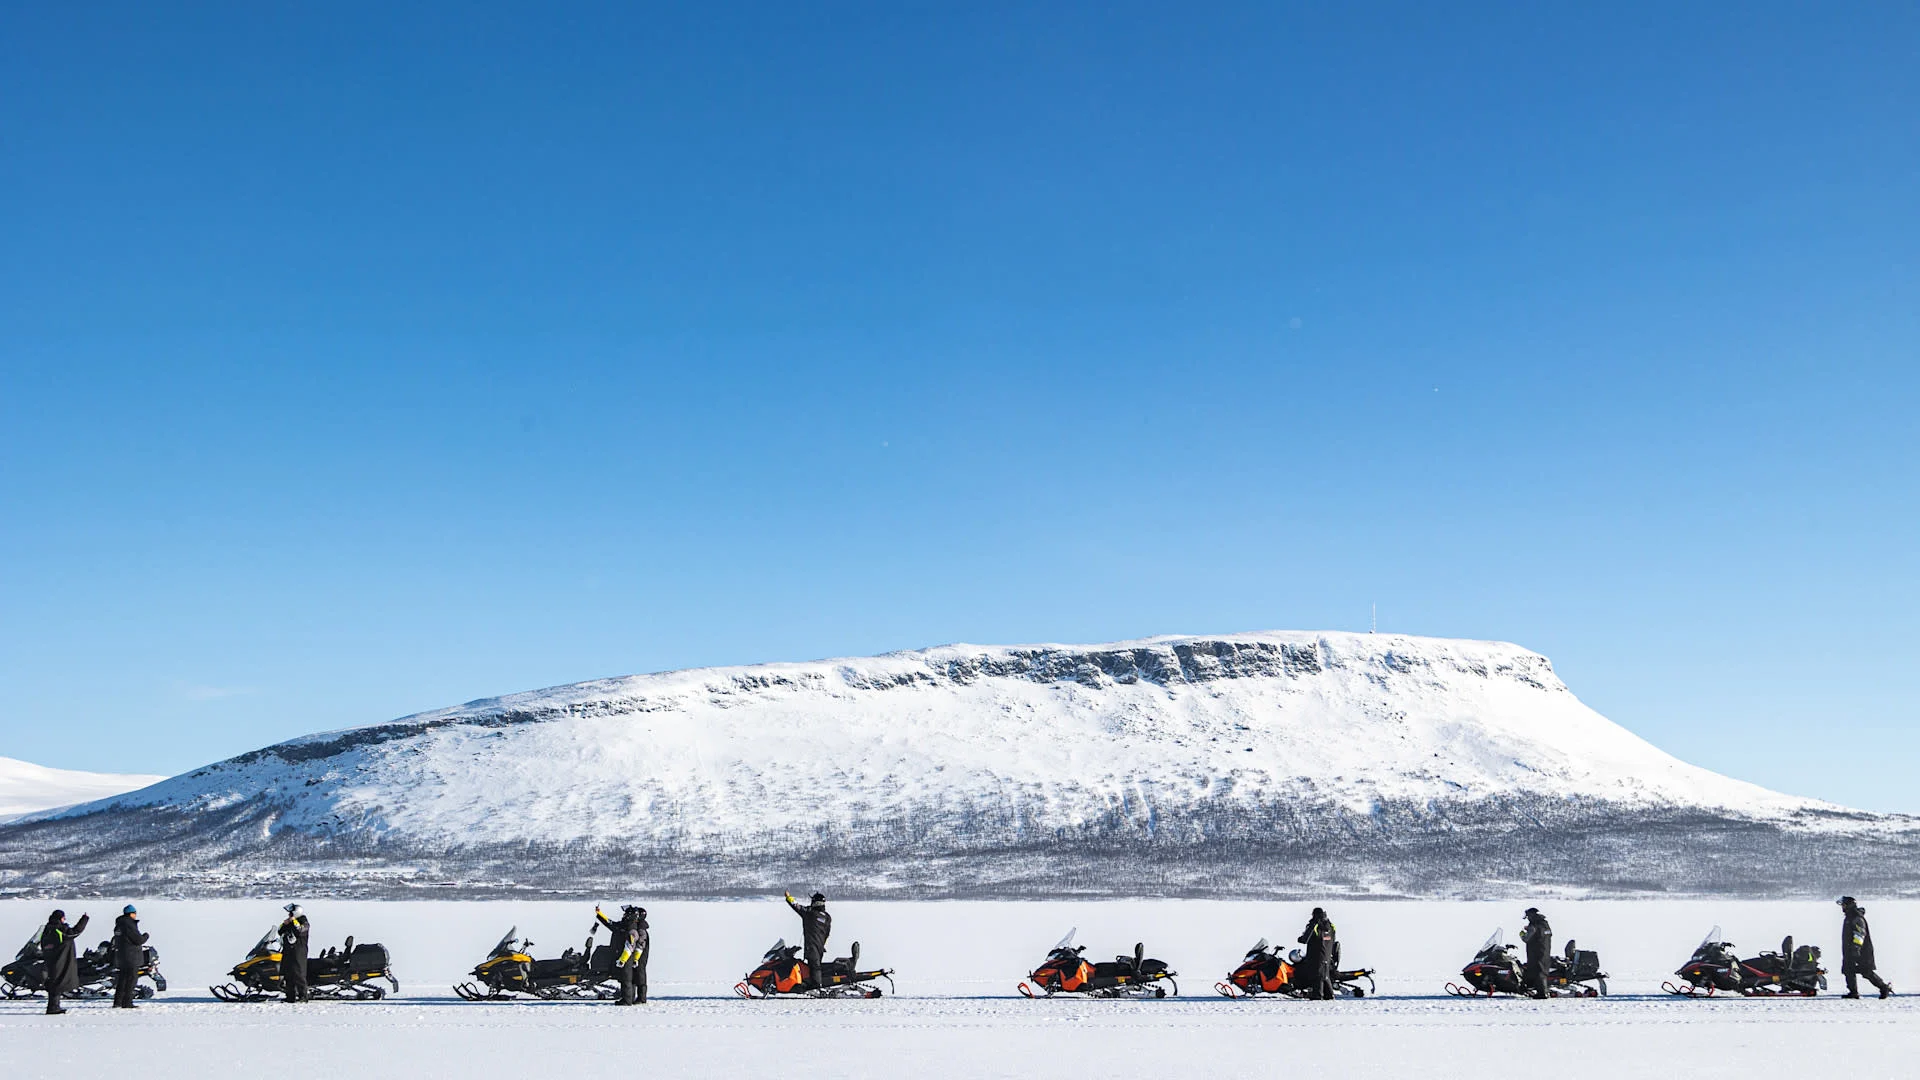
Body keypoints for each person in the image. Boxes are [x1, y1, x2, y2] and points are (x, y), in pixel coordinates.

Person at [1839, 896, 1894, 999]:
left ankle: (1884, 987)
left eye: (1844, 905)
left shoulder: (1856, 917)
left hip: (1861, 951)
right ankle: (1853, 992)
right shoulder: (1849, 917)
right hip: (1849, 949)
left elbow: (1859, 933)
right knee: (1848, 969)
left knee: (1866, 971)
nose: (1842, 907)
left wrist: (1856, 948)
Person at [596, 904, 650, 1005]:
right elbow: (611, 924)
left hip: (628, 957)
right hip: (628, 957)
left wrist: (624, 959)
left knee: (628, 977)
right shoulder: (626, 927)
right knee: (630, 977)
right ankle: (631, 998)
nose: (624, 915)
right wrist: (599, 914)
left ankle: (628, 1000)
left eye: (626, 914)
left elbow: (632, 946)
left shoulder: (634, 930)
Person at [39, 909, 90, 1015]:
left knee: (54, 981)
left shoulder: (47, 929)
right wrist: (84, 920)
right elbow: (74, 933)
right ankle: (53, 1007)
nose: (64, 920)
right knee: (57, 982)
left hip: (51, 959)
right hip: (60, 959)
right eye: (63, 918)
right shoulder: (58, 929)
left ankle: (54, 1006)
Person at [785, 891, 832, 989]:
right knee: (813, 965)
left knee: (814, 966)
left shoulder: (809, 912)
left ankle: (816, 986)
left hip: (812, 946)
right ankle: (812, 983)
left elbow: (796, 906)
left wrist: (789, 897)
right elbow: (827, 933)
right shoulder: (827, 917)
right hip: (820, 946)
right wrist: (822, 944)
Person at [111, 904, 149, 1009]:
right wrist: (145, 936)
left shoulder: (119, 924)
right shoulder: (129, 924)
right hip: (131, 956)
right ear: (131, 914)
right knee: (131, 980)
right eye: (135, 913)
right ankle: (127, 1002)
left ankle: (117, 1001)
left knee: (122, 979)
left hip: (121, 956)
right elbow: (138, 940)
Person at [1297, 907, 1337, 1000]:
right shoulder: (1331, 926)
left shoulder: (1315, 924)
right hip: (1327, 955)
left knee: (1317, 977)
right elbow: (1333, 939)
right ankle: (1329, 995)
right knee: (1325, 976)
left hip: (1315, 955)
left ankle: (1317, 997)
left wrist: (1300, 938)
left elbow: (1305, 939)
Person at [278, 904, 311, 1003]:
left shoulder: (304, 922)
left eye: (291, 913)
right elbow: (280, 931)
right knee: (288, 974)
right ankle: (290, 996)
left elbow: (299, 930)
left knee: (299, 974)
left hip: (298, 951)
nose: (289, 915)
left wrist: (293, 921)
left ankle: (303, 996)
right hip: (288, 951)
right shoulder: (291, 922)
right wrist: (285, 924)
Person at [1519, 907, 1552, 999]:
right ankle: (1541, 990)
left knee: (1537, 971)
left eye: (1528, 917)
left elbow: (1527, 938)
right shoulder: (1544, 924)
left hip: (1535, 951)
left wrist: (1522, 934)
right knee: (1542, 970)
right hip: (1545, 950)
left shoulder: (1534, 925)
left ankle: (1542, 993)